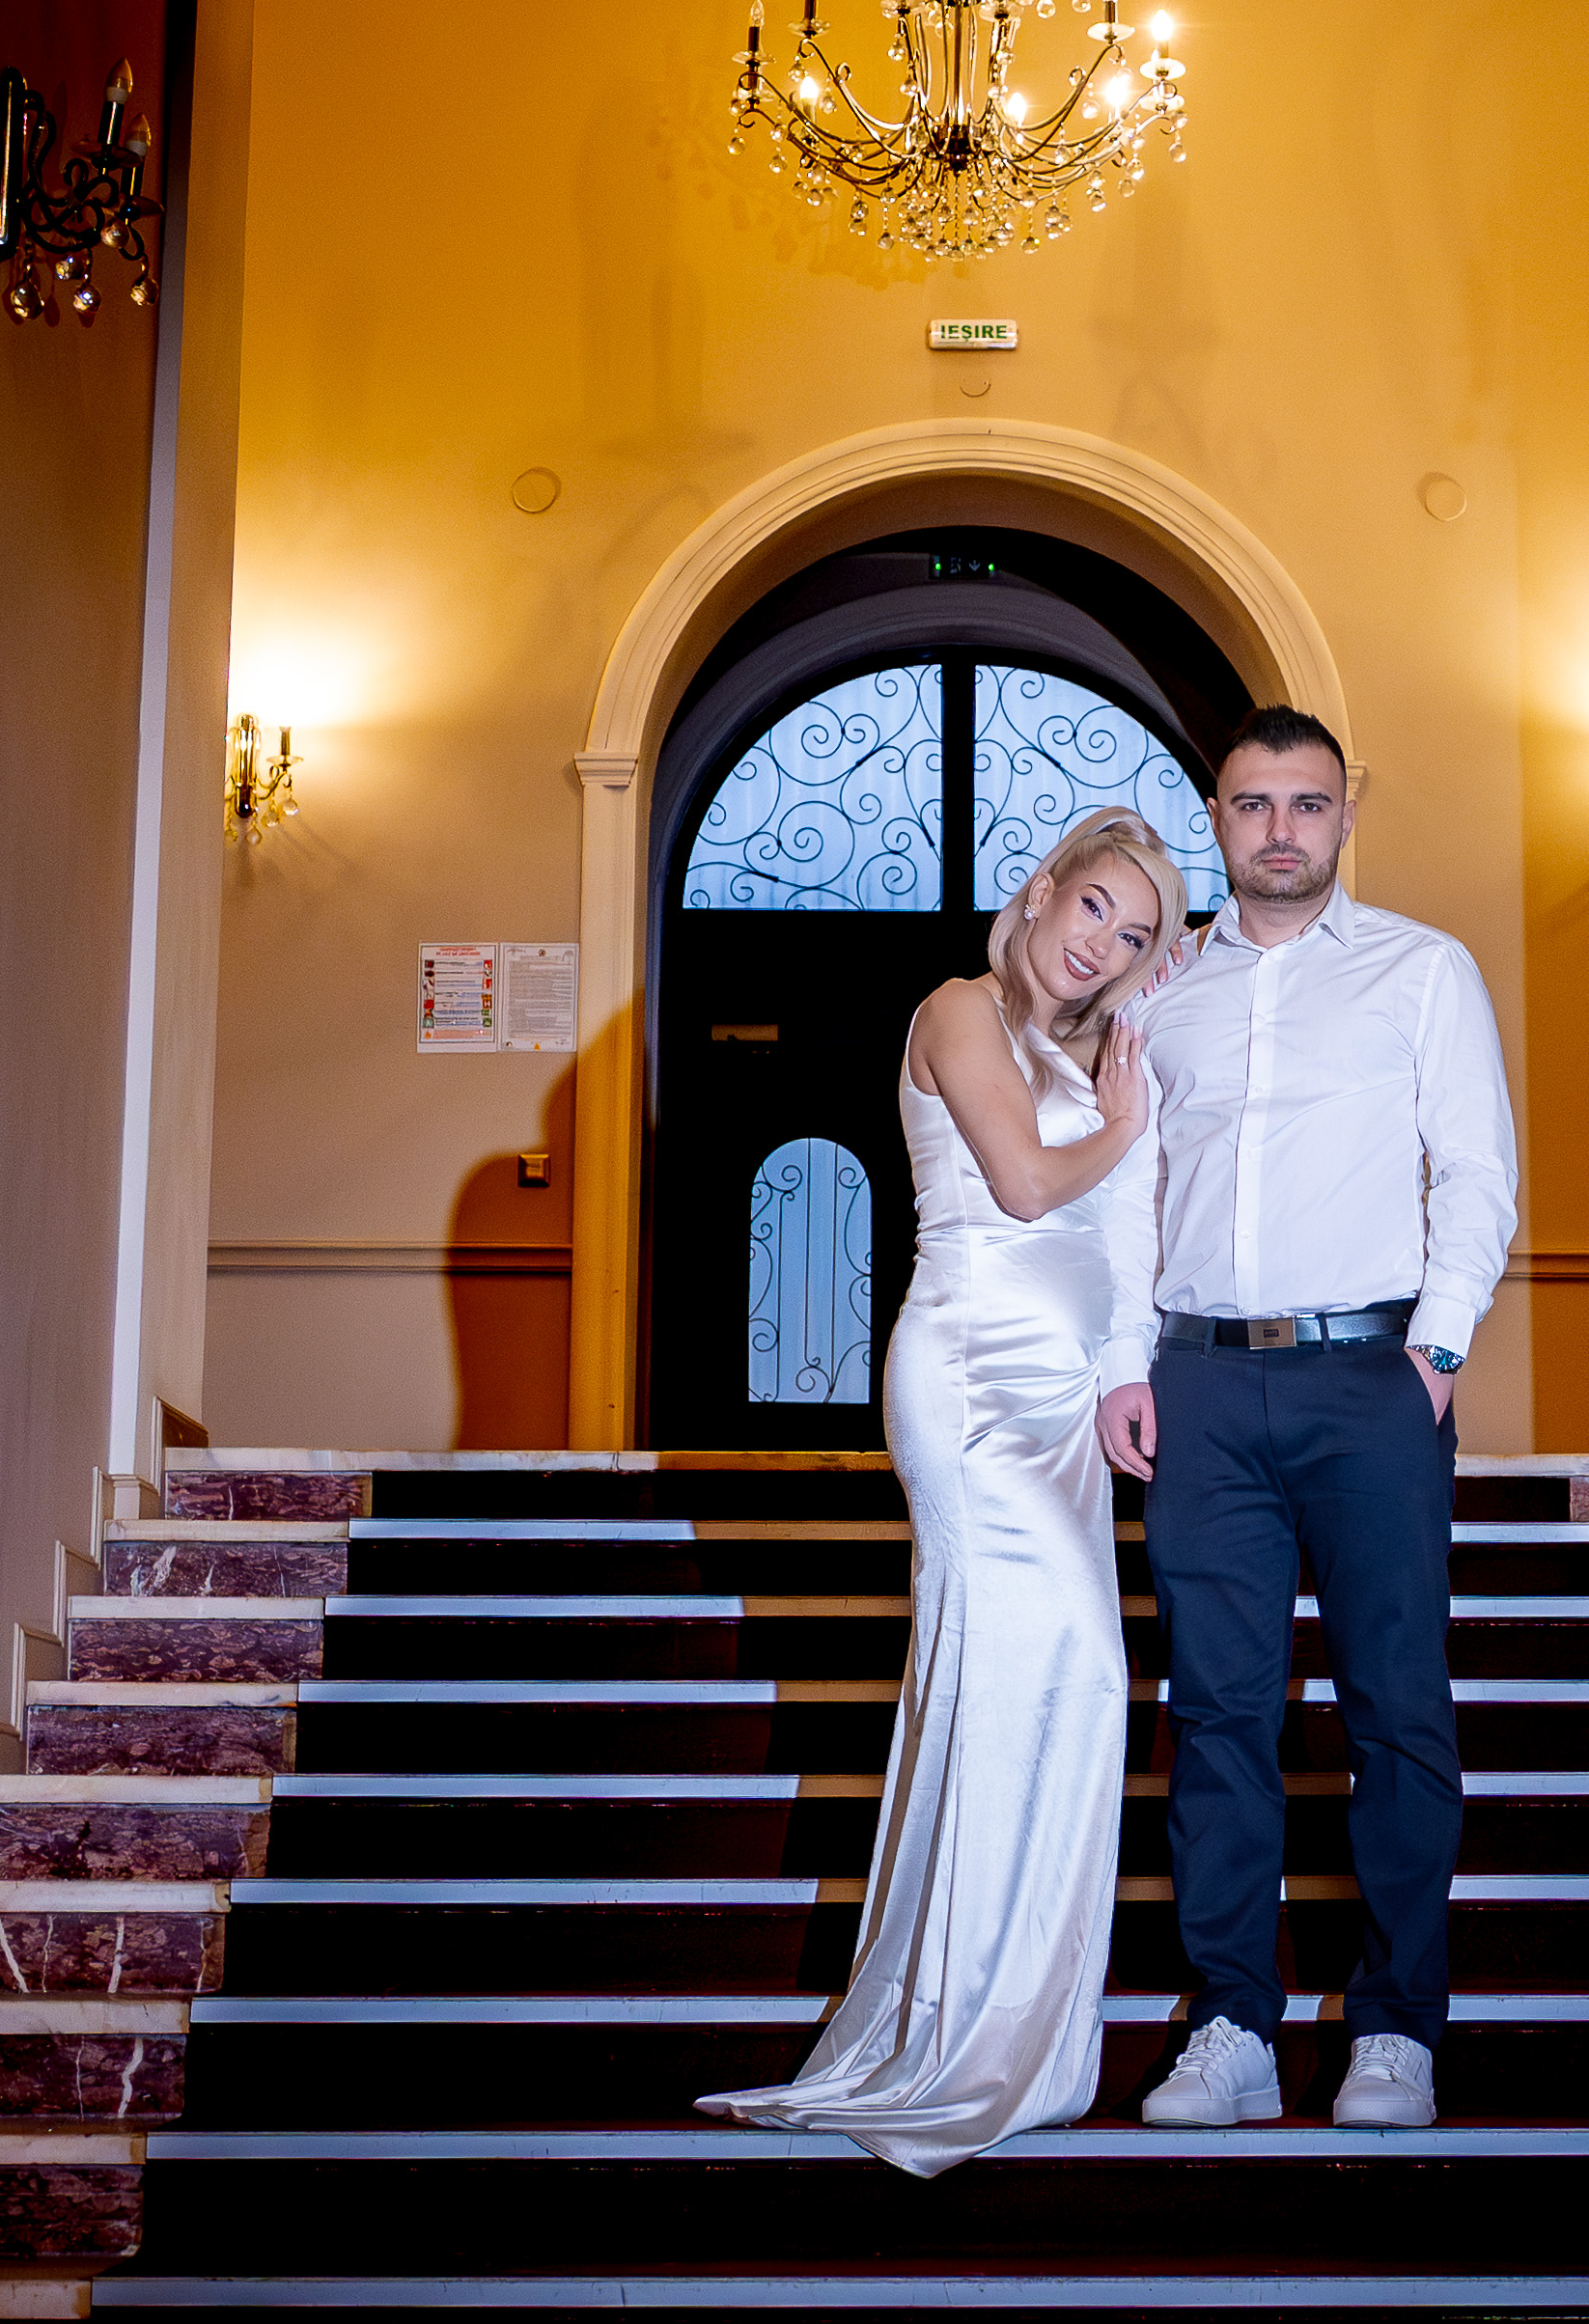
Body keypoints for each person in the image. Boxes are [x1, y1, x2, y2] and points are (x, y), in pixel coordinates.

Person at [695, 806, 1188, 2175]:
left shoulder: (1096, 1052)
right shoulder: (957, 1009)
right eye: (1094, 908)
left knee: (1069, 1688)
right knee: (1032, 1671)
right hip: (971, 1381)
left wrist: (1119, 1366)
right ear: (1041, 892)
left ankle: (1019, 2031)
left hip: (1061, 1400)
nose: (1104, 945)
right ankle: (955, 2030)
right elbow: (1025, 1186)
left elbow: (1117, 1233)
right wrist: (1127, 1125)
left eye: (1136, 937)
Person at [1099, 706, 1515, 2132]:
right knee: (1216, 1714)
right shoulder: (1161, 992)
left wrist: (1435, 1347)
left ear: (1345, 815)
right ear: (1215, 818)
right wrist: (1125, 1363)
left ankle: (1396, 2033)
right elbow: (1131, 1191)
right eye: (1253, 804)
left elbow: (1475, 1169)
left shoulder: (1422, 969)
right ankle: (1231, 2026)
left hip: (1370, 1378)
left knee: (1397, 1708)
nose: (1281, 829)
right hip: (1201, 1384)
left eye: (1308, 804)